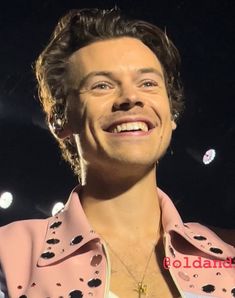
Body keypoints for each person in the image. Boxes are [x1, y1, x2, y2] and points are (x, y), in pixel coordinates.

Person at [0, 8, 234, 298]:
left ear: (171, 112)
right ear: (59, 120)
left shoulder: (227, 255)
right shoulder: (10, 256)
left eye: (147, 83)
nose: (130, 98)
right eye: (102, 85)